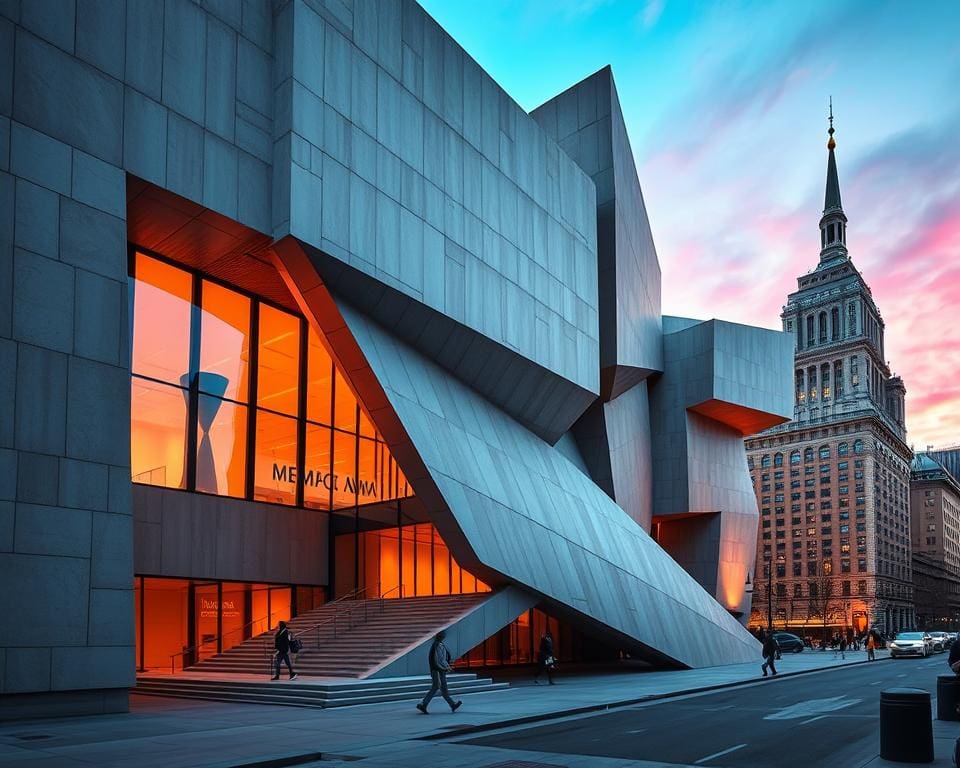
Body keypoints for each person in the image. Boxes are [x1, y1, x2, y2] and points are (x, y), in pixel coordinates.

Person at [416, 630, 461, 714]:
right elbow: (436, 660)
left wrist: (447, 667)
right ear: (439, 636)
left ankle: (452, 704)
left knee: (443, 688)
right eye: (442, 635)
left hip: (441, 670)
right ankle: (424, 704)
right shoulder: (436, 645)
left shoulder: (440, 645)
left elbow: (442, 659)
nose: (444, 636)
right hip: (437, 670)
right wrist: (443, 668)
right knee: (436, 686)